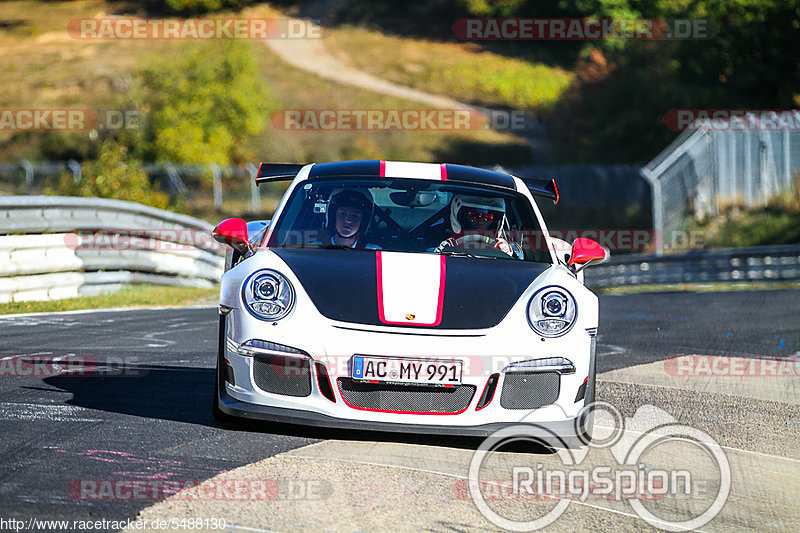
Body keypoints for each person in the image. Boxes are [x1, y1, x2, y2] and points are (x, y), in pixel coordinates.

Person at [435, 194, 521, 258]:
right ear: (462, 216)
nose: (480, 220)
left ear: (495, 220)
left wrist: (509, 253)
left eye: (488, 217)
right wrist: (446, 250)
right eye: (474, 215)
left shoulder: (502, 246)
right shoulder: (447, 242)